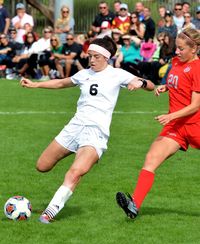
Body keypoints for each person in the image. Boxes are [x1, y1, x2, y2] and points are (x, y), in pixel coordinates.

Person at [20, 35, 155, 224]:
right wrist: (35, 84)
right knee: (42, 166)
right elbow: (61, 82)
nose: (91, 60)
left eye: (95, 56)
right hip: (74, 127)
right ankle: (77, 170)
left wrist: (139, 83)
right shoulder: (84, 74)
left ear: (106, 57)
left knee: (74, 172)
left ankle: (49, 213)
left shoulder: (118, 74)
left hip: (95, 133)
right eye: (89, 56)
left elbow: (151, 85)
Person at [116, 28, 200, 220]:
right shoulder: (177, 62)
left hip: (195, 125)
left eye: (180, 48)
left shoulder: (198, 68)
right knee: (151, 159)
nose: (176, 52)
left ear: (194, 48)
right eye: (176, 48)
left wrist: (171, 116)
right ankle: (134, 205)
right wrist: (166, 87)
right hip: (176, 128)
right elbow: (178, 81)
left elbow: (196, 105)